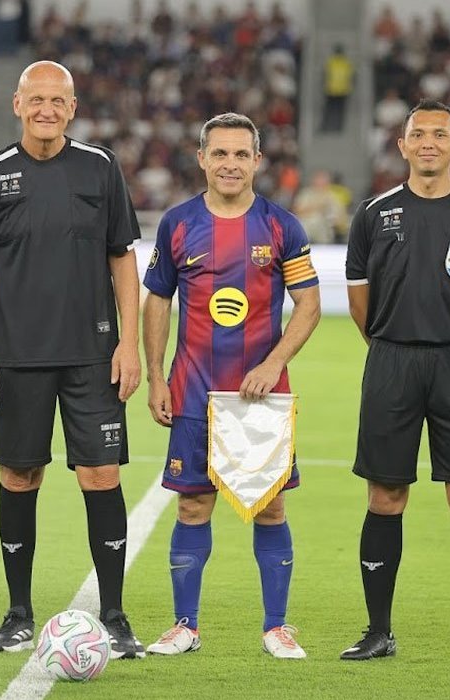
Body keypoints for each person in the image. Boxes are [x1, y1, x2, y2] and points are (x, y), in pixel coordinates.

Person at [0, 60, 145, 657]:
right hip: (14, 356)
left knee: (101, 474)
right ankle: (17, 613)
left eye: (57, 100)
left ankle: (113, 615)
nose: (46, 109)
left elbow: (122, 257)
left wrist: (129, 341)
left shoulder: (100, 167)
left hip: (92, 354)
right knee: (19, 476)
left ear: (72, 107)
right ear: (17, 104)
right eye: (36, 99)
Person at [142, 112, 322, 659]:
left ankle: (276, 627)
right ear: (201, 158)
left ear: (257, 161)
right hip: (193, 392)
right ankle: (185, 626)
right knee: (193, 507)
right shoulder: (176, 224)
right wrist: (155, 375)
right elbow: (157, 300)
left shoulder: (281, 227)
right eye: (219, 153)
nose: (229, 164)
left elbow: (309, 306)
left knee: (270, 509)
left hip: (260, 397)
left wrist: (273, 364)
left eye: (241, 154)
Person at [342, 99, 450, 664]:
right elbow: (360, 303)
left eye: (441, 135)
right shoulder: (373, 213)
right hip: (391, 363)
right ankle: (378, 631)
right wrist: (397, 346)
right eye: (419, 134)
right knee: (386, 494)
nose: (429, 143)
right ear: (403, 145)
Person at [321, 44, 354, 133]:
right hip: (341, 90)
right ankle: (336, 127)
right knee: (337, 111)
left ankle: (327, 126)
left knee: (330, 110)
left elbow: (325, 75)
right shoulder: (346, 62)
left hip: (332, 89)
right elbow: (351, 77)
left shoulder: (331, 61)